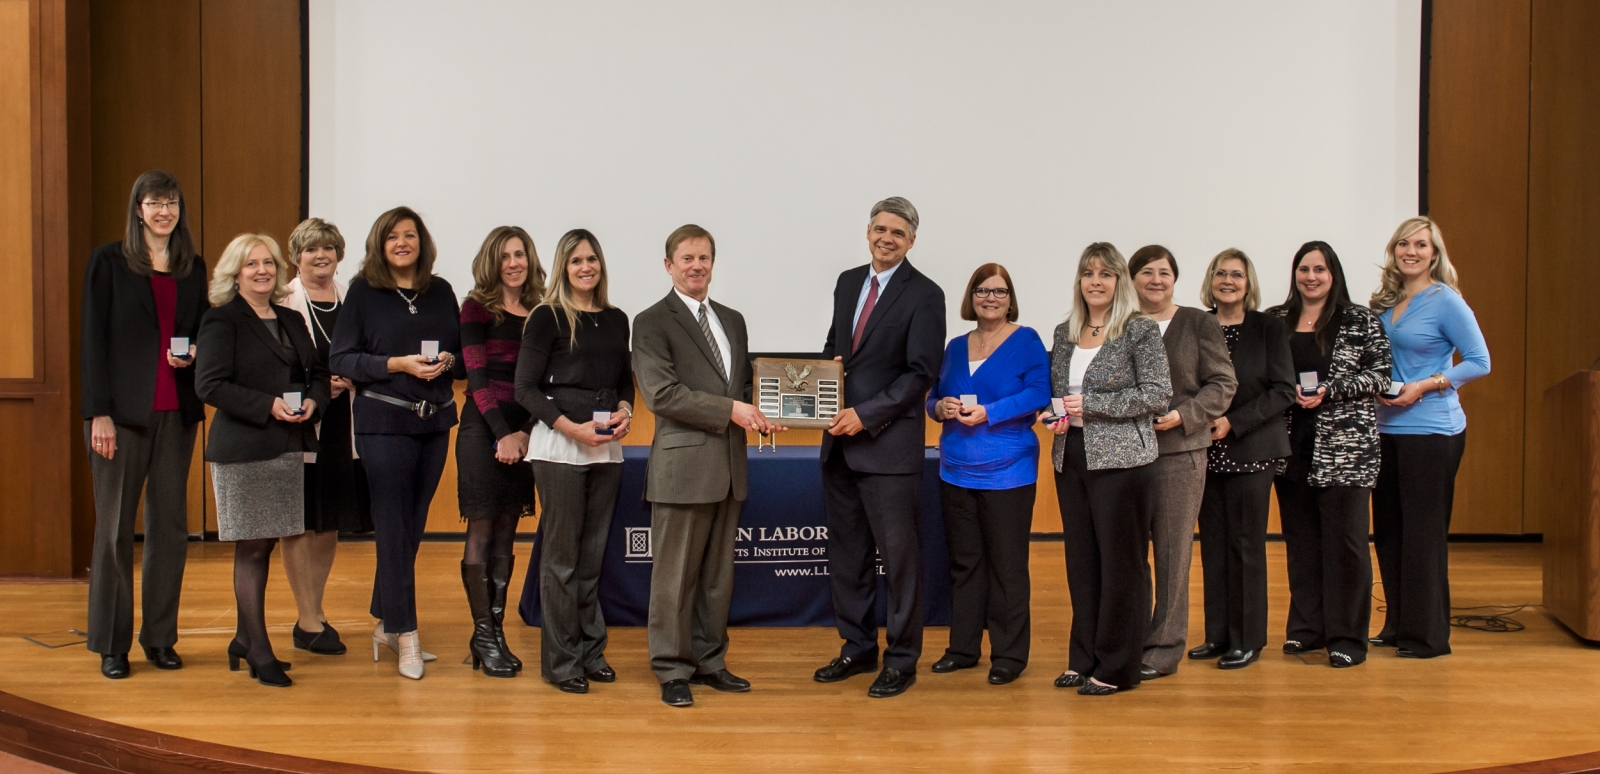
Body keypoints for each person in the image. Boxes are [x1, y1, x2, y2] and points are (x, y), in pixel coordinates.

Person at [633, 224, 776, 708]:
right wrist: (732, 411)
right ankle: (672, 668)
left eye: (704, 258)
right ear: (669, 265)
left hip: (729, 466)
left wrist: (785, 399)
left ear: (713, 263)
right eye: (687, 258)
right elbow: (661, 394)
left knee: (717, 577)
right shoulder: (651, 321)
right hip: (682, 469)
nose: (697, 266)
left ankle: (710, 660)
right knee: (674, 578)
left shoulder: (733, 320)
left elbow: (745, 387)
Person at [812, 197, 945, 699]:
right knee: (848, 556)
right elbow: (834, 350)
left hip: (888, 448)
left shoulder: (926, 294)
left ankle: (903, 659)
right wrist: (816, 390)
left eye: (898, 233)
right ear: (867, 232)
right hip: (838, 445)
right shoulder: (848, 282)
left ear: (912, 241)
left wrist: (865, 416)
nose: (887, 238)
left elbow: (921, 374)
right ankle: (857, 647)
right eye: (880, 229)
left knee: (900, 559)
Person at [80, 170, 208, 679]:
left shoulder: (192, 267)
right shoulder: (109, 261)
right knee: (114, 531)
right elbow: (92, 340)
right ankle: (113, 645)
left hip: (176, 413)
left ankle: (160, 638)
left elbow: (201, 330)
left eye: (172, 203)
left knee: (170, 529)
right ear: (138, 209)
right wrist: (98, 413)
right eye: (154, 202)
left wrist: (197, 350)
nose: (164, 211)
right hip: (121, 418)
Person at [329, 206, 463, 680]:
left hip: (434, 424)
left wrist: (448, 358)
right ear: (380, 245)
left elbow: (461, 358)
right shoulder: (364, 292)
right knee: (391, 526)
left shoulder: (441, 291)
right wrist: (398, 365)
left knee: (411, 526)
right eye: (392, 237)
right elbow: (342, 357)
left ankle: (385, 620)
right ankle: (406, 634)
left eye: (410, 235)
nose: (402, 243)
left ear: (421, 243)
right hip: (382, 424)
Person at [195, 233, 331, 688]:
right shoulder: (221, 320)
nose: (262, 271)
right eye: (251, 264)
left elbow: (318, 374)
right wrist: (267, 405)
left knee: (267, 544)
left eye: (269, 263)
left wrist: (313, 403)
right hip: (244, 449)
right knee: (252, 548)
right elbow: (210, 385)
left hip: (287, 447)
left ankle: (242, 636)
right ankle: (258, 647)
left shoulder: (292, 318)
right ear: (234, 272)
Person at [1045, 242, 1171, 696]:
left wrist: (1094, 406)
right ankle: (1083, 658)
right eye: (1087, 273)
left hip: (1123, 461)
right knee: (1082, 564)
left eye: (1105, 273)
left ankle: (1117, 667)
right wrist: (1055, 413)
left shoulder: (1139, 329)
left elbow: (1157, 394)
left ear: (1119, 281)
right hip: (1070, 455)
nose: (1095, 281)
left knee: (1123, 566)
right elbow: (1058, 391)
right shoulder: (1064, 331)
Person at [514, 229, 633, 695]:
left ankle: (590, 651)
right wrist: (572, 428)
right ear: (563, 266)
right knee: (561, 560)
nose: (586, 267)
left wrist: (625, 411)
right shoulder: (546, 317)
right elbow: (524, 389)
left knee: (591, 557)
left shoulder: (617, 318)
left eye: (593, 260)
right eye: (577, 260)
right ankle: (561, 663)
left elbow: (626, 381)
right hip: (561, 448)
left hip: (606, 446)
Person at [1267, 241, 1392, 668]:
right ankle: (1307, 629)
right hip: (1290, 448)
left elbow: (1380, 374)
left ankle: (1347, 637)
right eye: (1304, 268)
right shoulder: (1274, 320)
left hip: (1346, 449)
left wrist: (1331, 390)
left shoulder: (1360, 319)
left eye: (1320, 269)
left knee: (1347, 545)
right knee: (1302, 544)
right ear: (1294, 273)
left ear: (1333, 273)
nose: (1311, 277)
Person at [1370, 218, 1490, 659]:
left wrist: (1426, 384)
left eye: (1421, 244)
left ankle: (1427, 636)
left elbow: (1479, 361)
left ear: (1434, 255)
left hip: (1432, 430)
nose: (1412, 251)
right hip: (1386, 430)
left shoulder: (1446, 301)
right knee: (1390, 532)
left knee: (1422, 534)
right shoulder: (1385, 302)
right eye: (1404, 243)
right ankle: (1398, 624)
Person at [925, 264, 1050, 685]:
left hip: (1008, 472)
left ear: (1011, 298)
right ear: (971, 297)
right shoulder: (955, 345)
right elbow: (934, 395)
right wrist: (938, 407)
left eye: (999, 292)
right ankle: (962, 649)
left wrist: (991, 412)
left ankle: (1009, 655)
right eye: (982, 291)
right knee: (964, 564)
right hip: (955, 469)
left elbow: (1038, 393)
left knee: (1008, 566)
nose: (990, 298)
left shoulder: (1027, 340)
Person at [1128, 246, 1237, 679]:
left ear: (1175, 278)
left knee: (1173, 554)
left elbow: (1223, 383)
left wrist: (1185, 415)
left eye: (1165, 272)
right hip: (1126, 455)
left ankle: (1164, 648)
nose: (1156, 280)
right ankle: (1130, 638)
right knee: (1131, 554)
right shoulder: (1122, 324)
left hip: (1180, 454)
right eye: (1147, 273)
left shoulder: (1197, 322)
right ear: (1132, 279)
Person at [1188, 249, 1295, 670]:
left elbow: (1284, 390)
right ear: (1210, 280)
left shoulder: (1268, 327)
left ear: (1248, 283)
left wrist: (1233, 422)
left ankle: (1248, 638)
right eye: (1220, 273)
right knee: (1213, 545)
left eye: (1236, 274)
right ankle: (1217, 635)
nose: (1227, 281)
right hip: (1203, 449)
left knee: (1246, 544)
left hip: (1251, 448)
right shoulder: (1198, 325)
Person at [457, 226, 546, 677]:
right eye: (505, 255)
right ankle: (485, 634)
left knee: (509, 531)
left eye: (521, 254)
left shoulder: (541, 311)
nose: (514, 262)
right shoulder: (476, 308)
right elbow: (475, 381)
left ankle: (493, 631)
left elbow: (543, 381)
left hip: (526, 432)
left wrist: (527, 431)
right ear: (492, 262)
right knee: (482, 529)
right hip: (483, 429)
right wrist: (502, 435)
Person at [280, 217, 366, 658]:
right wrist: (317, 387)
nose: (321, 256)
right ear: (297, 256)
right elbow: (276, 360)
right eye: (312, 249)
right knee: (300, 520)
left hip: (343, 421)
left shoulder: (351, 299)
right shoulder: (284, 299)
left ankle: (314, 610)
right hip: (301, 419)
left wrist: (352, 377)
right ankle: (306, 617)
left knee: (328, 520)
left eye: (329, 248)